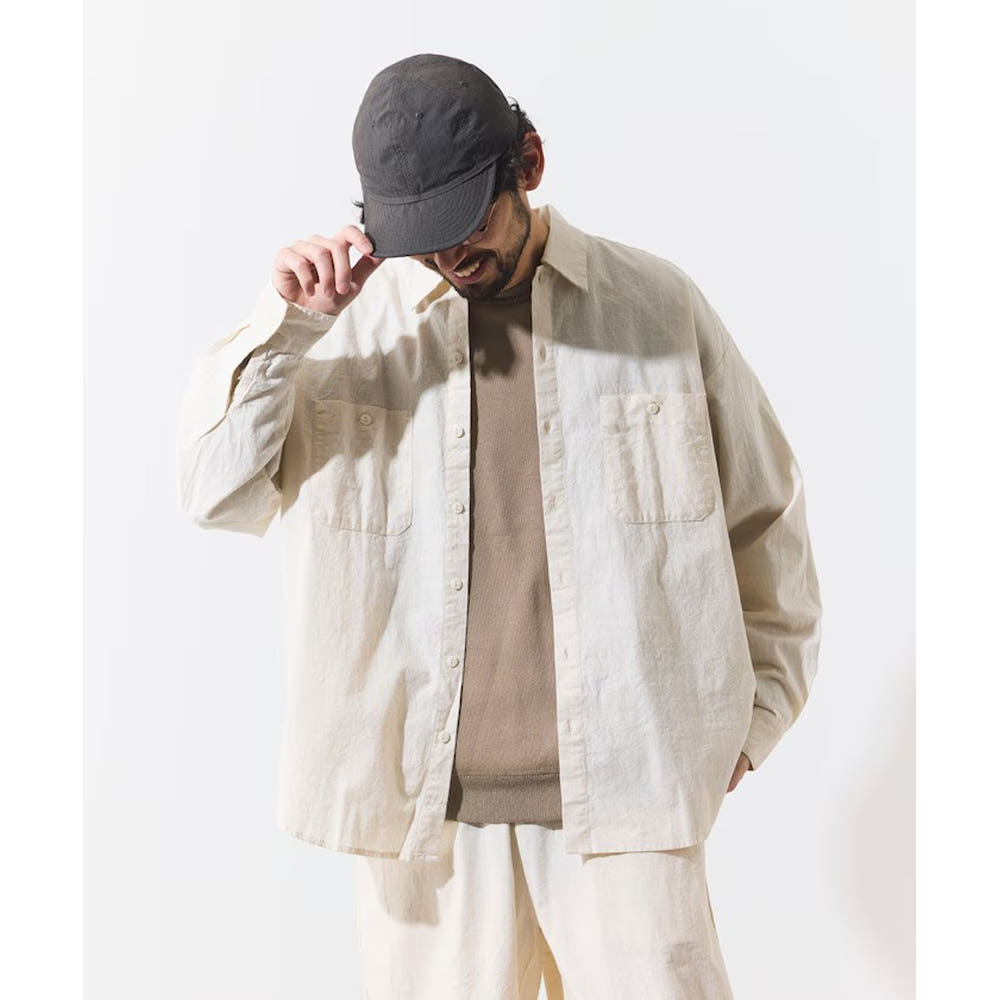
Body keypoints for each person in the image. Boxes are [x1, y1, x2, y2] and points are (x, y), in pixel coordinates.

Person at [176, 52, 822, 1000]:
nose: (448, 257)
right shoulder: (342, 333)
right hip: (424, 825)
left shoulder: (656, 309)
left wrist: (753, 720)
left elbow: (768, 520)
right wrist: (288, 328)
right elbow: (214, 493)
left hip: (631, 802)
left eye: (467, 223)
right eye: (422, 238)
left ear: (530, 163)